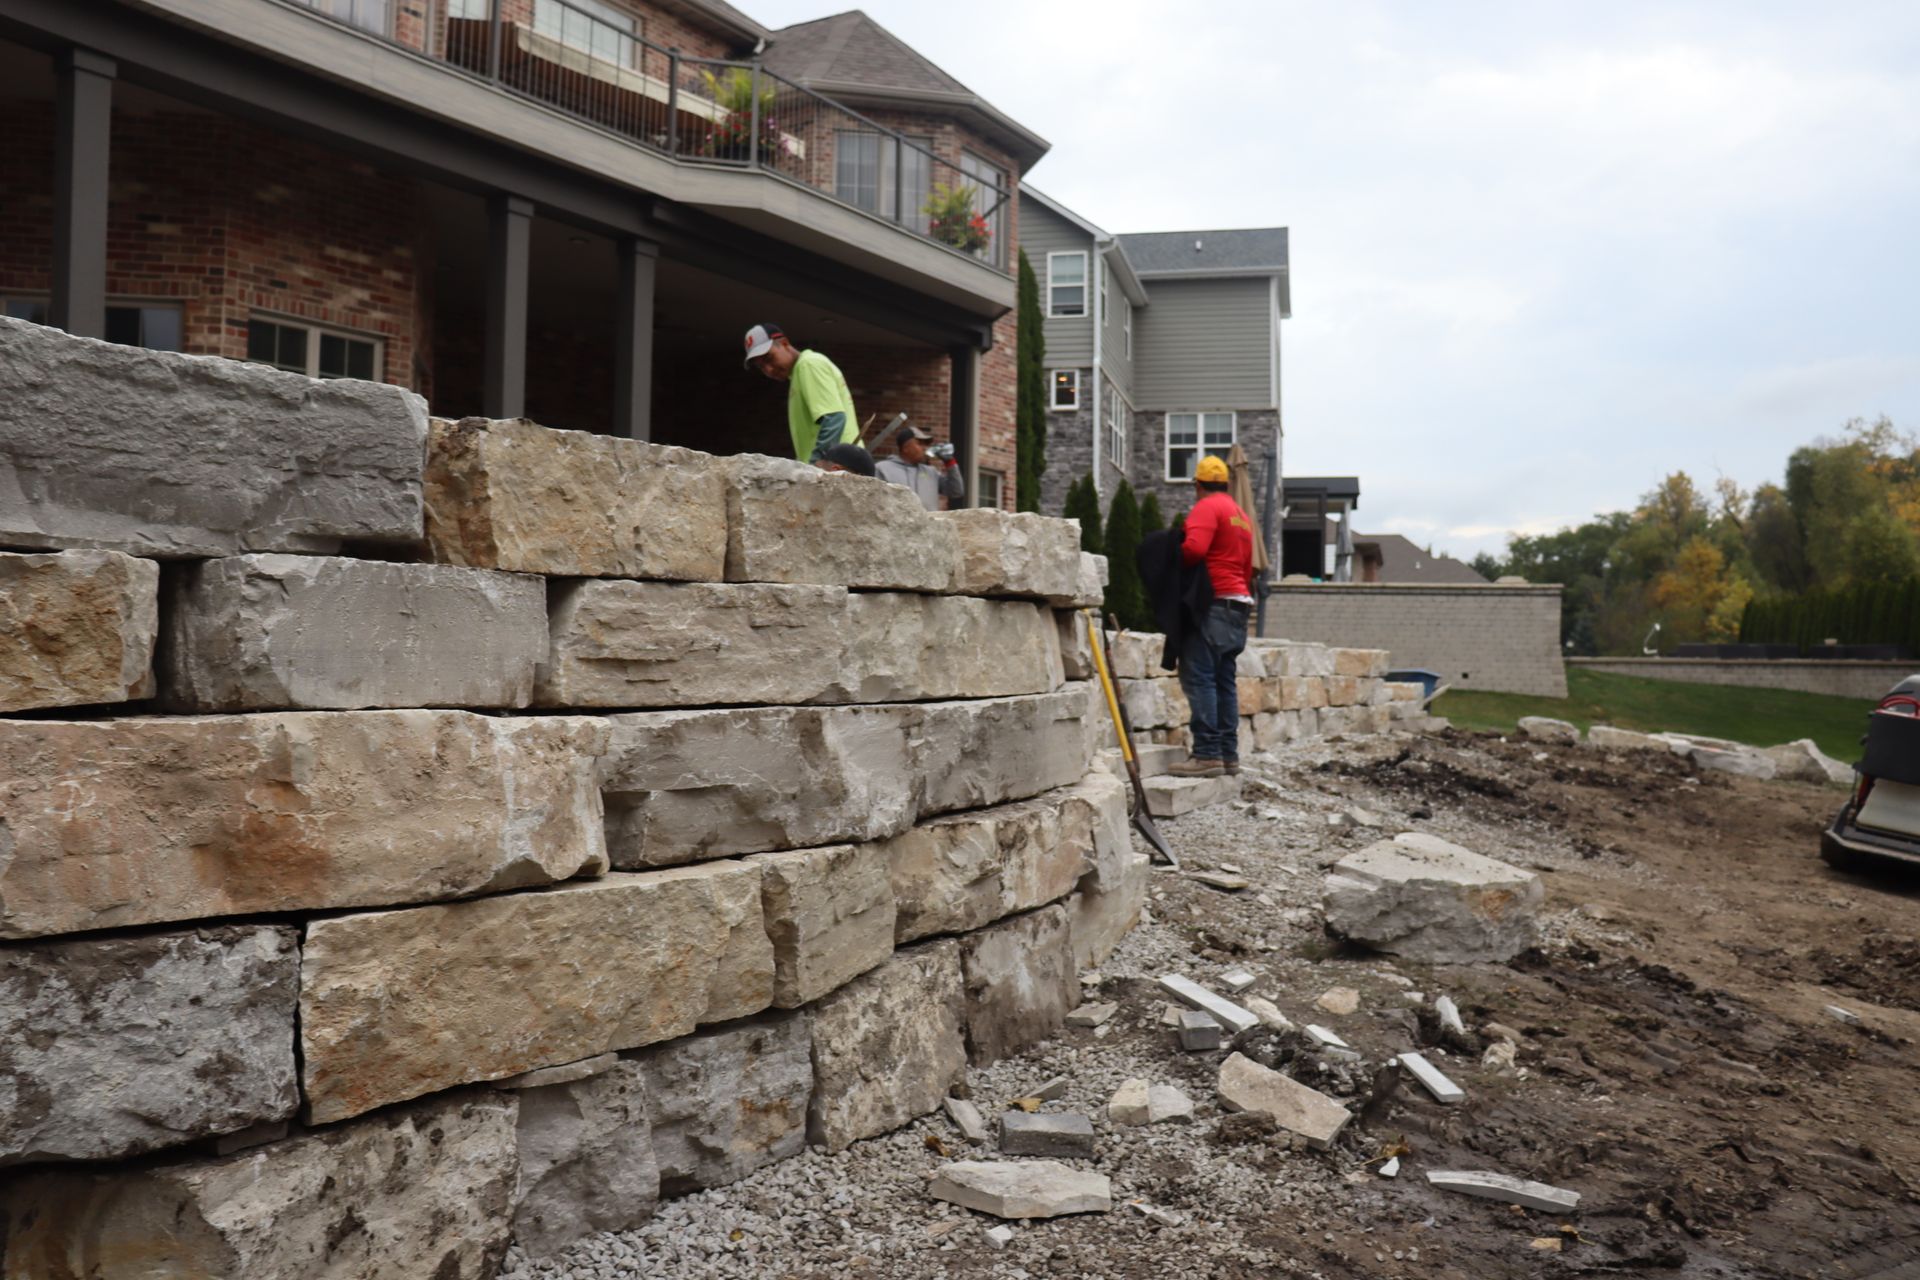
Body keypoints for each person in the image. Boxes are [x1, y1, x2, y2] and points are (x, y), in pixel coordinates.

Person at [1167, 454, 1256, 778]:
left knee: (1200, 677)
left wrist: (1168, 552)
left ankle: (1206, 754)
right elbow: (1247, 566)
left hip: (1213, 605)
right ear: (1227, 484)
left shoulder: (1207, 507)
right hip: (1238, 605)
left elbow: (1194, 549)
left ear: (1198, 485)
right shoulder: (1241, 515)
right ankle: (1228, 755)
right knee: (1224, 682)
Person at [742, 322, 862, 466]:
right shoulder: (799, 373)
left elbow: (834, 419)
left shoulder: (808, 364)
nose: (769, 369)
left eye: (769, 358)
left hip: (839, 467)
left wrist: (815, 465)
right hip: (840, 465)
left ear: (785, 344)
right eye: (761, 367)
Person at [874, 423, 964, 510]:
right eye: (919, 443)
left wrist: (950, 462)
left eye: (925, 444)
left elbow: (956, 492)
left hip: (928, 521)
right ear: (905, 448)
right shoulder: (883, 469)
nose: (924, 448)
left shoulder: (931, 472)